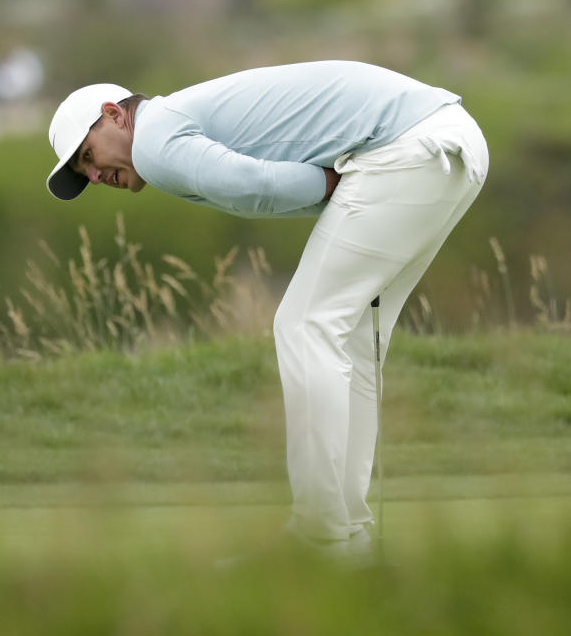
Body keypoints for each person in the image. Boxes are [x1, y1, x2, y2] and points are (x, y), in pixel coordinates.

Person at [45, 61, 488, 559]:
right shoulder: (172, 123)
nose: (95, 175)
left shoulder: (153, 139)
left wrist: (327, 185)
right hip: (449, 142)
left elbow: (252, 185)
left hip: (408, 149)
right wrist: (329, 184)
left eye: (88, 155)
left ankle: (320, 535)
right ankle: (345, 534)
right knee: (353, 336)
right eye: (83, 172)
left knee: (304, 326)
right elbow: (263, 191)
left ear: (115, 115)